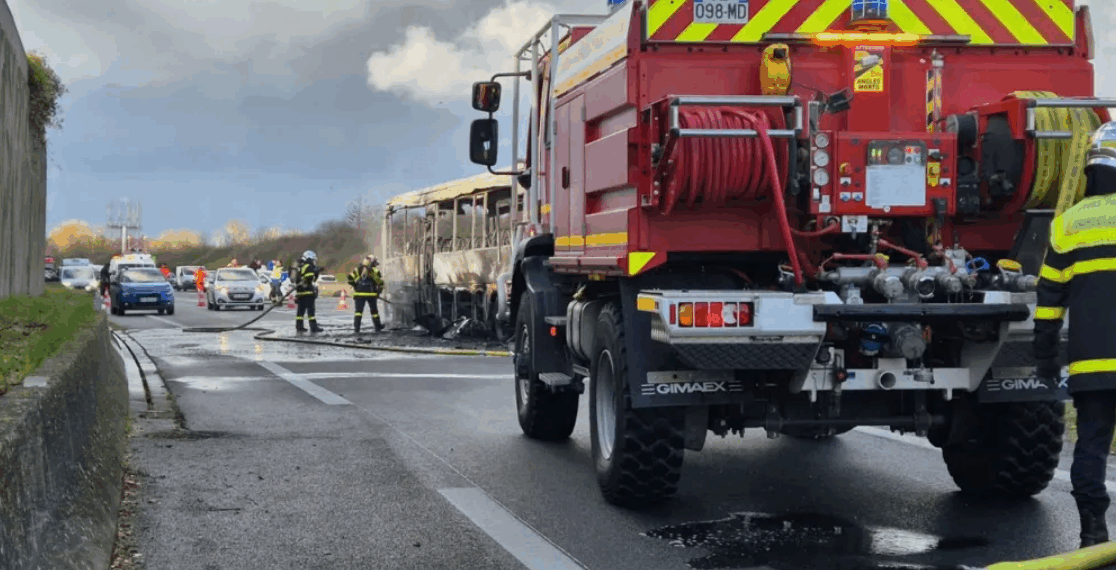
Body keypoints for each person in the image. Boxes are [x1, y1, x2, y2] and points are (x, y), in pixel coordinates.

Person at [1034, 120, 1116, 549]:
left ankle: (1092, 530)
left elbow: (1048, 298)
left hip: (1092, 362)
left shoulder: (1069, 224)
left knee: (1092, 445)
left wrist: (1045, 356)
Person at [347, 255, 385, 334]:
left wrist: (355, 285)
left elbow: (350, 278)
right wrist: (378, 292)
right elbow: (381, 283)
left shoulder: (357, 270)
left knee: (358, 312)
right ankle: (377, 327)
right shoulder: (375, 271)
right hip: (371, 295)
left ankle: (356, 329)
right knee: (374, 312)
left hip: (359, 294)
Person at [295, 250, 322, 333]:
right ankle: (314, 328)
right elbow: (310, 278)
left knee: (300, 311)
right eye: (313, 260)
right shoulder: (309, 266)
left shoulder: (301, 266)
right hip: (308, 292)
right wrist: (316, 271)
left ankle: (299, 326)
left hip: (300, 292)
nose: (314, 262)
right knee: (311, 311)